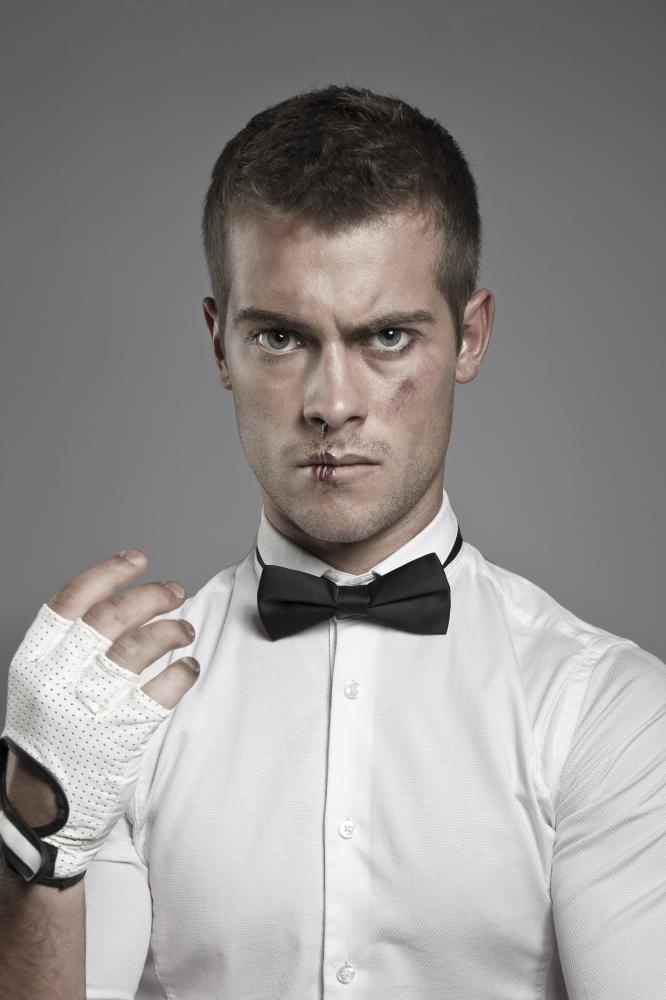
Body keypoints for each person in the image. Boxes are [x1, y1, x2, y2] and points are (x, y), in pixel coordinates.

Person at [0, 84, 664, 1000]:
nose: (332, 403)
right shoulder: (118, 713)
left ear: (469, 337)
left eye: (386, 336)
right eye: (280, 337)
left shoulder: (606, 710)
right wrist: (36, 833)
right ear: (220, 345)